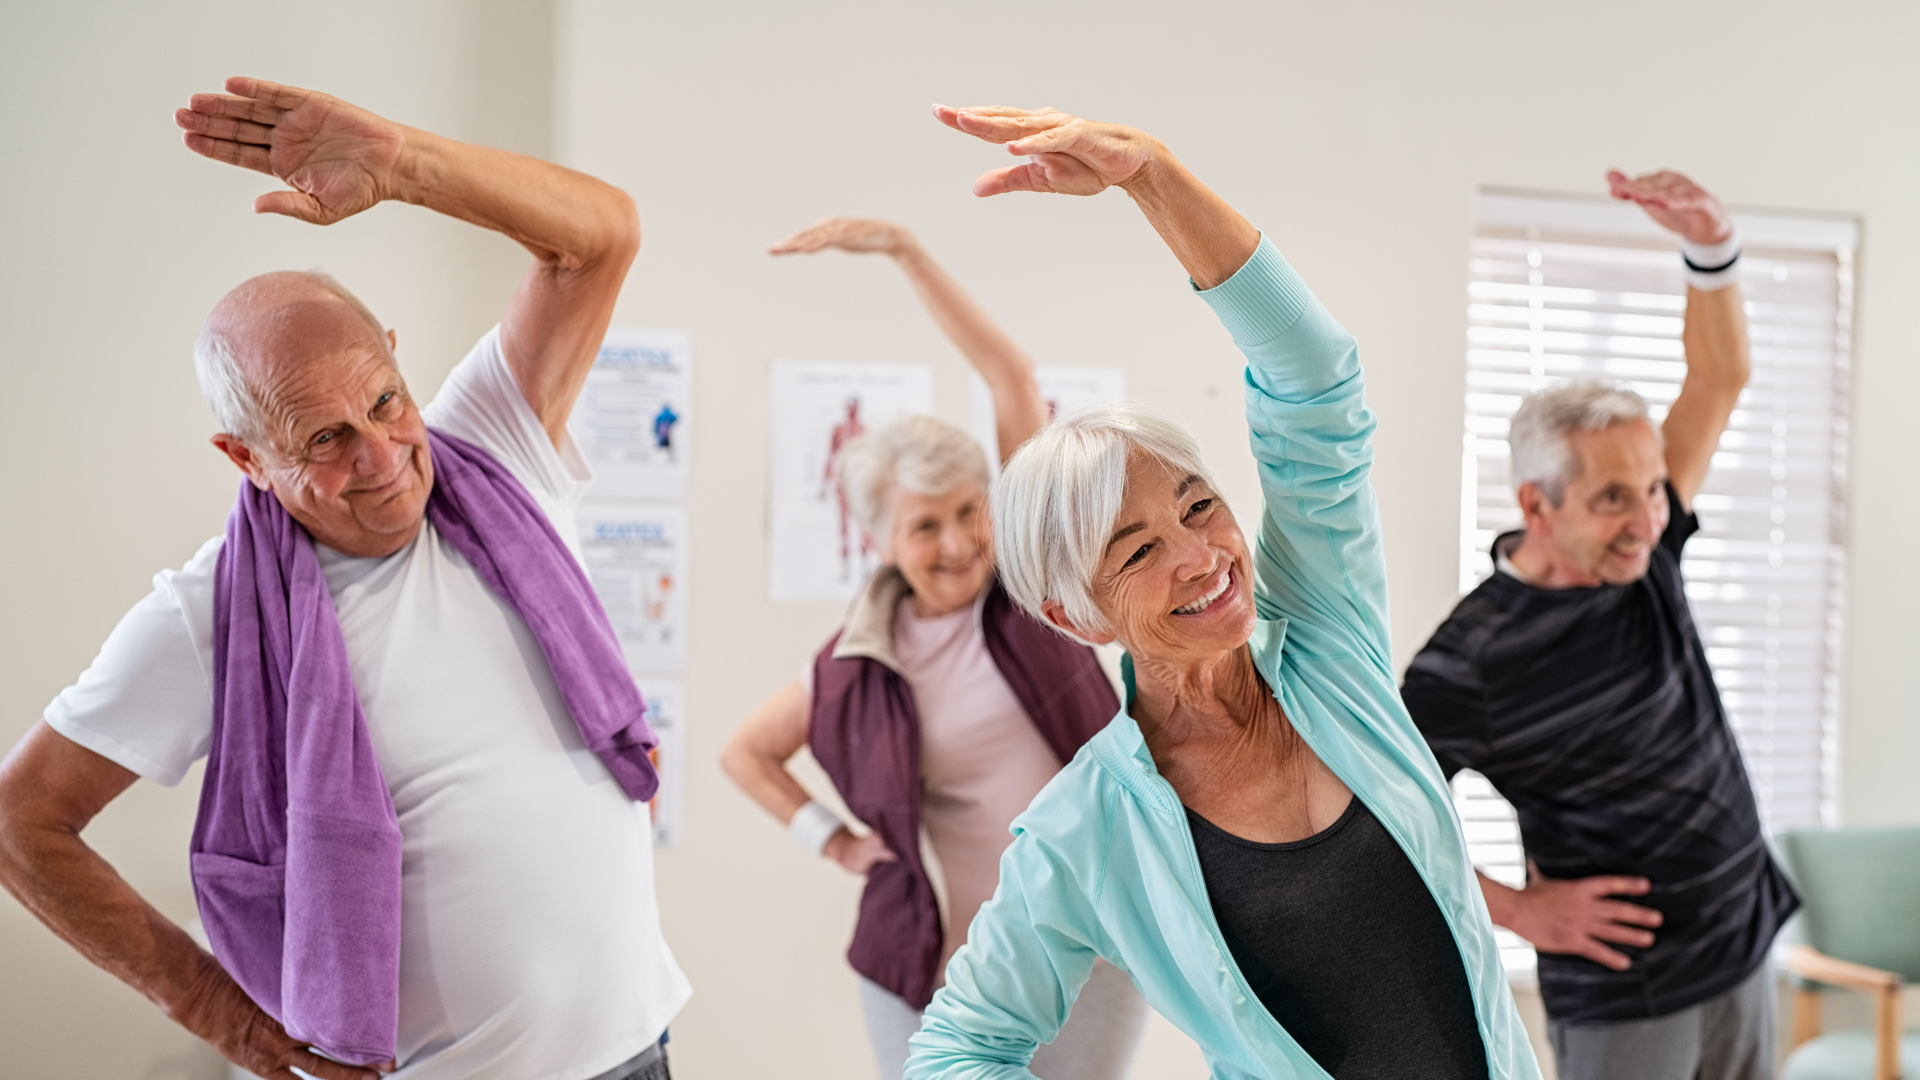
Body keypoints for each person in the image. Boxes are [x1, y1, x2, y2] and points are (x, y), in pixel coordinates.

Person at [0, 78, 688, 1080]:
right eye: (325, 436)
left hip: (640, 1053)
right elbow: (24, 824)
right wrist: (218, 1012)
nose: (381, 455)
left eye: (384, 401)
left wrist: (404, 165)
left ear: (402, 367)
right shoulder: (211, 614)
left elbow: (601, 237)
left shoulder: (493, 450)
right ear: (246, 458)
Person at [905, 105, 1540, 1080]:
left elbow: (1316, 379)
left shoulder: (1329, 646)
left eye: (1199, 506)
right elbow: (960, 1046)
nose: (1201, 556)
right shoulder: (1088, 825)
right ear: (1075, 615)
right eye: (1136, 550)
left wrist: (1150, 174)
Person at [722, 217, 1148, 1080]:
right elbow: (746, 753)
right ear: (880, 536)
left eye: (970, 511)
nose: (957, 542)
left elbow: (1009, 375)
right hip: (934, 972)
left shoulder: (1033, 591)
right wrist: (831, 841)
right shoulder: (858, 664)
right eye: (926, 524)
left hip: (1090, 948)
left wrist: (906, 254)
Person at [1401, 171, 1797, 1080]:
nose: (1650, 517)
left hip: (1740, 938)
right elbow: (1376, 826)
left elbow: (1721, 375)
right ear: (1535, 505)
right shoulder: (1470, 663)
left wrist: (1711, 244)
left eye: (1653, 487)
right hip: (1629, 994)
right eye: (1615, 497)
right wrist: (1519, 910)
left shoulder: (1643, 553)